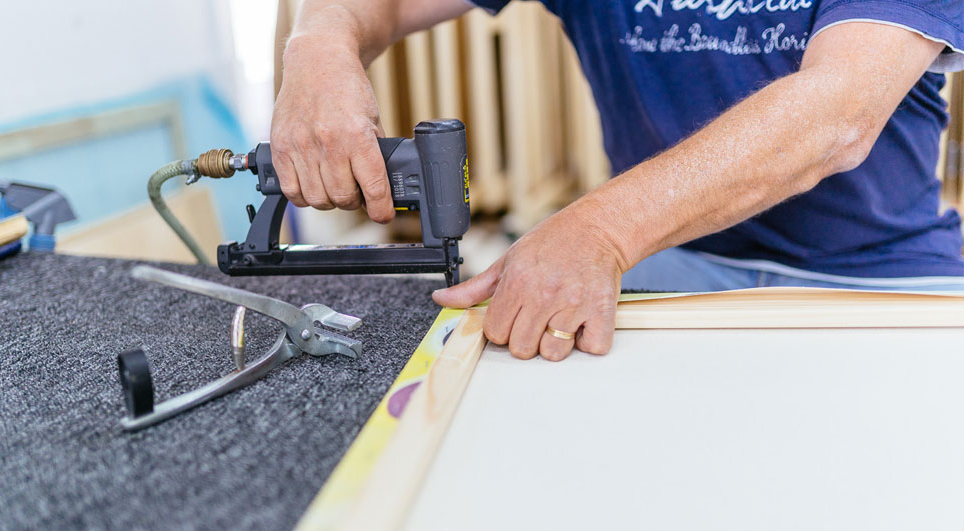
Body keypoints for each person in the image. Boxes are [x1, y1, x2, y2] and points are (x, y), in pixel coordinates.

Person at [271, 0, 964, 361]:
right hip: (670, 259)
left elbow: (834, 115)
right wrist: (318, 43)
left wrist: (597, 228)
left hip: (879, 273)